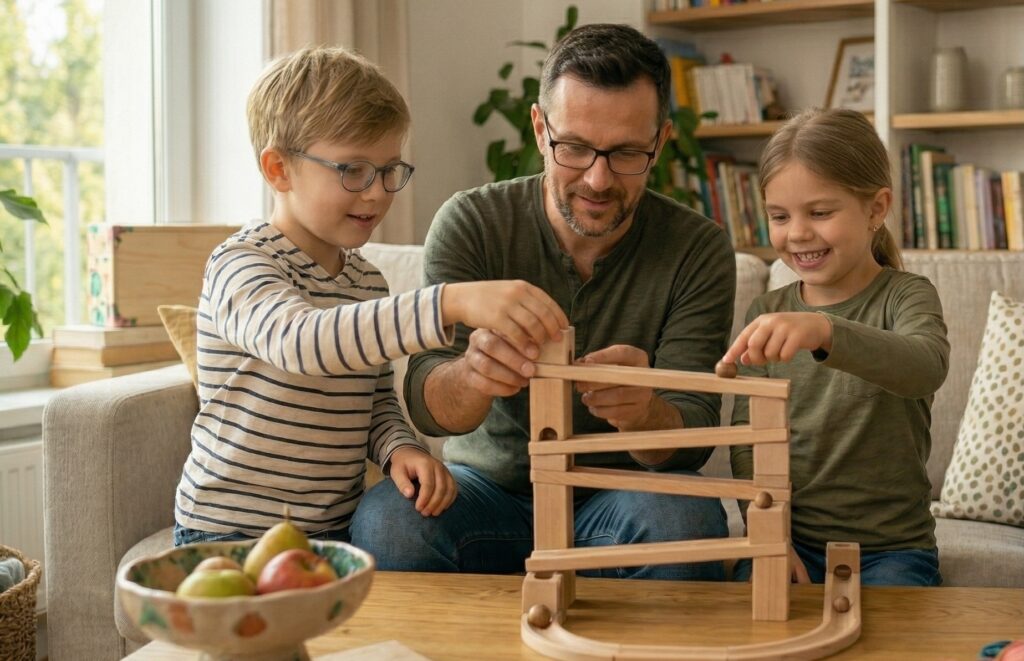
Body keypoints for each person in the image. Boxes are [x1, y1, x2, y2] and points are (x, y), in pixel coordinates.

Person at [351, 25, 736, 579]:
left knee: (684, 519)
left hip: (625, 495)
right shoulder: (473, 223)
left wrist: (647, 413)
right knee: (390, 521)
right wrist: (473, 375)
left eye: (627, 152)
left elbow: (695, 435)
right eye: (574, 148)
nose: (598, 179)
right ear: (539, 128)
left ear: (661, 140)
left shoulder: (698, 248)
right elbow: (425, 402)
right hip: (489, 494)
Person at [173, 46, 568, 545]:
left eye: (389, 170)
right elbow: (302, 342)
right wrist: (450, 302)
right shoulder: (242, 264)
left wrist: (399, 449)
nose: (379, 193)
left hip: (330, 537)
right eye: (353, 171)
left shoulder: (366, 282)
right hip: (226, 534)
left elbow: (374, 401)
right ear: (278, 169)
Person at [723, 108, 949, 586]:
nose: (798, 233)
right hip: (790, 543)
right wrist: (768, 537)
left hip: (892, 552)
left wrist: (825, 331)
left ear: (875, 208)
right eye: (780, 216)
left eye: (820, 212)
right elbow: (749, 439)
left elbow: (925, 366)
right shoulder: (765, 311)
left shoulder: (906, 295)